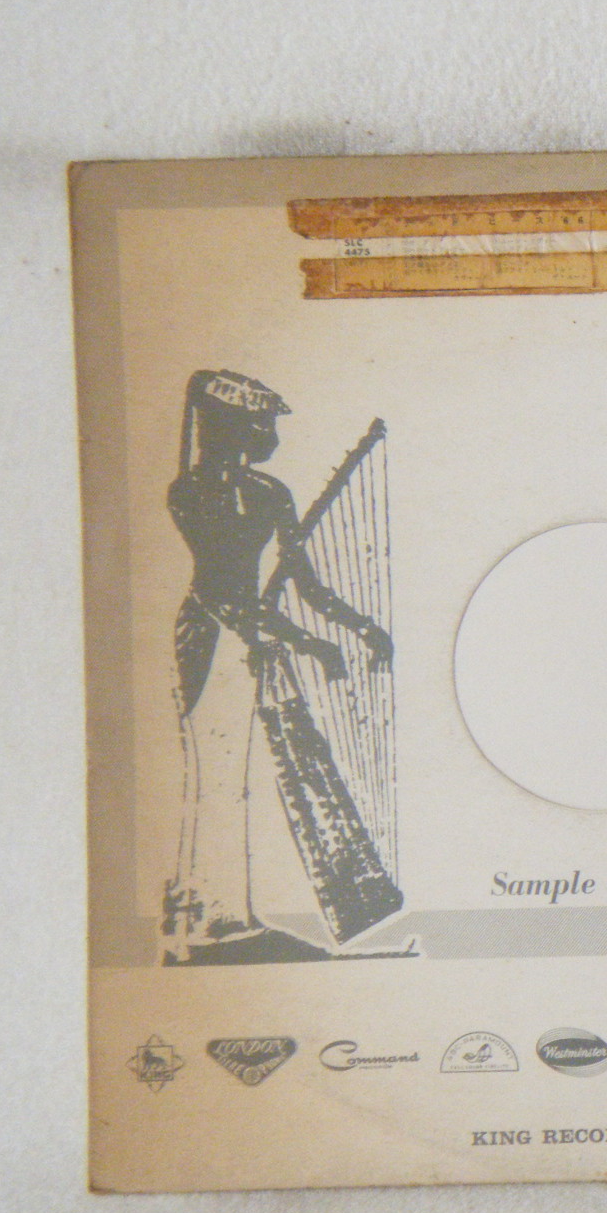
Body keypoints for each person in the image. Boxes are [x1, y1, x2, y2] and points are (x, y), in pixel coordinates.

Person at [163, 370, 392, 962]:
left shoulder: (270, 492)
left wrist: (361, 627)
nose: (271, 436)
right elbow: (221, 590)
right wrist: (304, 641)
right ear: (231, 427)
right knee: (214, 775)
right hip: (209, 633)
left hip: (248, 635)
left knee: (231, 777)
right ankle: (208, 923)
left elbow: (306, 587)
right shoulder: (188, 492)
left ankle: (220, 918)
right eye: (261, 424)